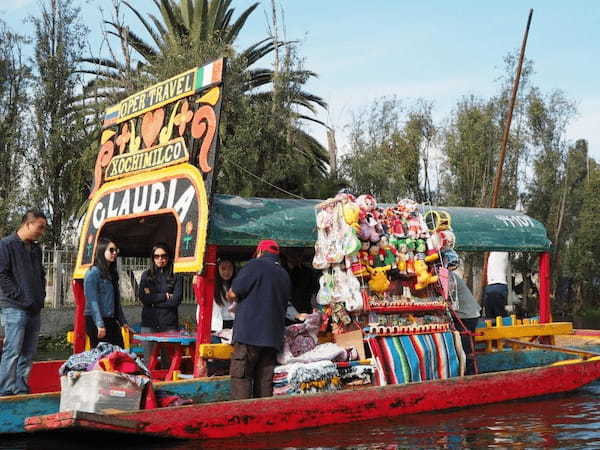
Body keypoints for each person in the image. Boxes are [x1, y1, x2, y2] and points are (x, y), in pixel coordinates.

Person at [227, 239, 291, 400]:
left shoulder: (254, 266)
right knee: (264, 383)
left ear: (260, 252)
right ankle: (263, 420)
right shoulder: (284, 274)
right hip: (272, 339)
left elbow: (233, 293)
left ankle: (242, 420)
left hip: (249, 336)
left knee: (241, 378)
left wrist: (231, 297)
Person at [0, 209, 47, 396]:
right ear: (28, 224)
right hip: (14, 306)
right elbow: (2, 274)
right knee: (12, 350)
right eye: (40, 227)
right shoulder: (6, 245)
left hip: (34, 307)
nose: (41, 232)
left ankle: (20, 388)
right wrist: (19, 296)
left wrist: (40, 296)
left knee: (28, 352)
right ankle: (5, 390)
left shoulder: (36, 249)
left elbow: (41, 274)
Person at [138, 243, 183, 363]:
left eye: (163, 256)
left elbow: (176, 300)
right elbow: (143, 297)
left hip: (169, 324)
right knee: (148, 361)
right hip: (149, 323)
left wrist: (153, 302)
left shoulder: (176, 275)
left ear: (168, 257)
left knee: (169, 362)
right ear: (152, 258)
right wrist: (164, 296)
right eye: (156, 256)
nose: (160, 259)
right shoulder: (146, 275)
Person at [84, 238, 128, 348]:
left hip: (111, 319)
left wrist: (123, 321)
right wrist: (99, 324)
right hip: (96, 320)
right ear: (101, 250)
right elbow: (92, 301)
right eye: (111, 250)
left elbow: (116, 300)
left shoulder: (112, 273)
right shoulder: (93, 273)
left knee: (119, 352)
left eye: (116, 250)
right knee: (102, 357)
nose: (114, 253)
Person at [446, 257, 480, 376]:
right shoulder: (446, 275)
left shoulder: (447, 276)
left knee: (466, 349)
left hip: (467, 315)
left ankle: (472, 375)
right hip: (461, 315)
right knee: (461, 348)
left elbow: (448, 299)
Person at [211, 259, 236, 333]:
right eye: (223, 268)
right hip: (216, 325)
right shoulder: (212, 286)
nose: (227, 272)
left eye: (230, 268)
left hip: (232, 323)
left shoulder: (237, 285)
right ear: (217, 269)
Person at [484, 252, 509, 319]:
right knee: (490, 317)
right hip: (492, 286)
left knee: (498, 317)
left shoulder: (500, 252)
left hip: (498, 284)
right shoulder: (492, 254)